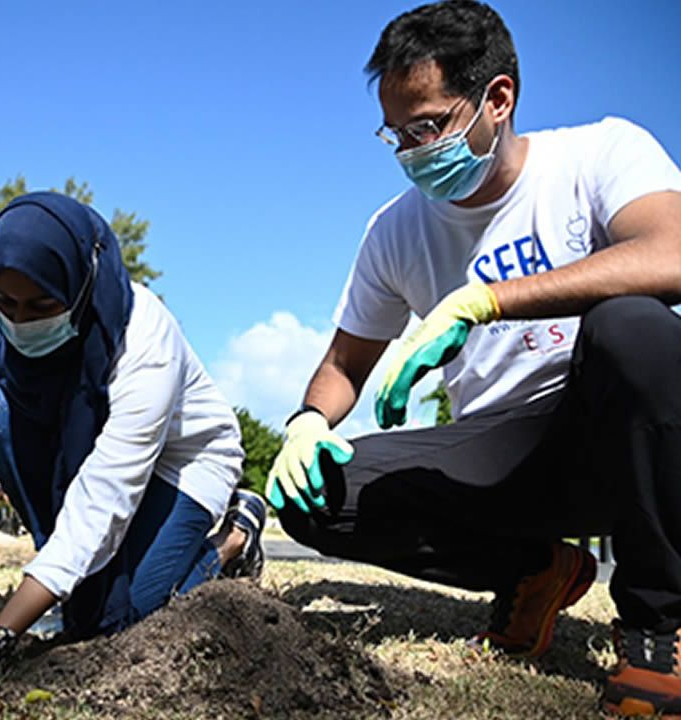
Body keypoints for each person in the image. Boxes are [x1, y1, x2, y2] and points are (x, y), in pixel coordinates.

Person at [262, 2, 681, 716]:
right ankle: (535, 570)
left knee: (632, 327)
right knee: (319, 498)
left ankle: (660, 627)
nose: (411, 150)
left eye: (427, 126)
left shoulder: (599, 154)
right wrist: (305, 424)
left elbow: (671, 253)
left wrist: (487, 299)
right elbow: (344, 362)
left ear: (498, 98)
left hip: (627, 427)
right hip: (506, 453)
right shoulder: (395, 231)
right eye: (395, 134)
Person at [0, 191, 267, 688]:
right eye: (8, 302)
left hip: (183, 461)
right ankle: (66, 583)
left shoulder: (143, 339)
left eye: (42, 304)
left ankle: (233, 538)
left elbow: (104, 496)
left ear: (78, 286)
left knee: (118, 622)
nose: (22, 320)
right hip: (77, 443)